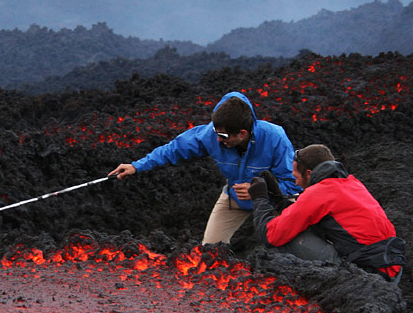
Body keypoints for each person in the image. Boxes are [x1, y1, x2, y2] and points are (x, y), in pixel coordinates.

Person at [109, 91, 302, 245]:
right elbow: (173, 150)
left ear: (242, 133)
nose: (218, 140)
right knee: (210, 251)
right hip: (235, 197)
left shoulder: (275, 137)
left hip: (276, 200)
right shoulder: (212, 134)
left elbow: (291, 184)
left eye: (224, 137)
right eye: (216, 133)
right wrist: (136, 166)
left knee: (291, 250)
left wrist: (260, 193)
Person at [248, 144, 405, 282]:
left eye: (296, 176)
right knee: (298, 227)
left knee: (287, 240)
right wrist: (277, 199)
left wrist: (260, 198)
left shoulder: (318, 192)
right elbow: (305, 215)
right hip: (392, 267)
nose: (295, 182)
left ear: (309, 173)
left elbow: (270, 235)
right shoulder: (351, 183)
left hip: (369, 275)